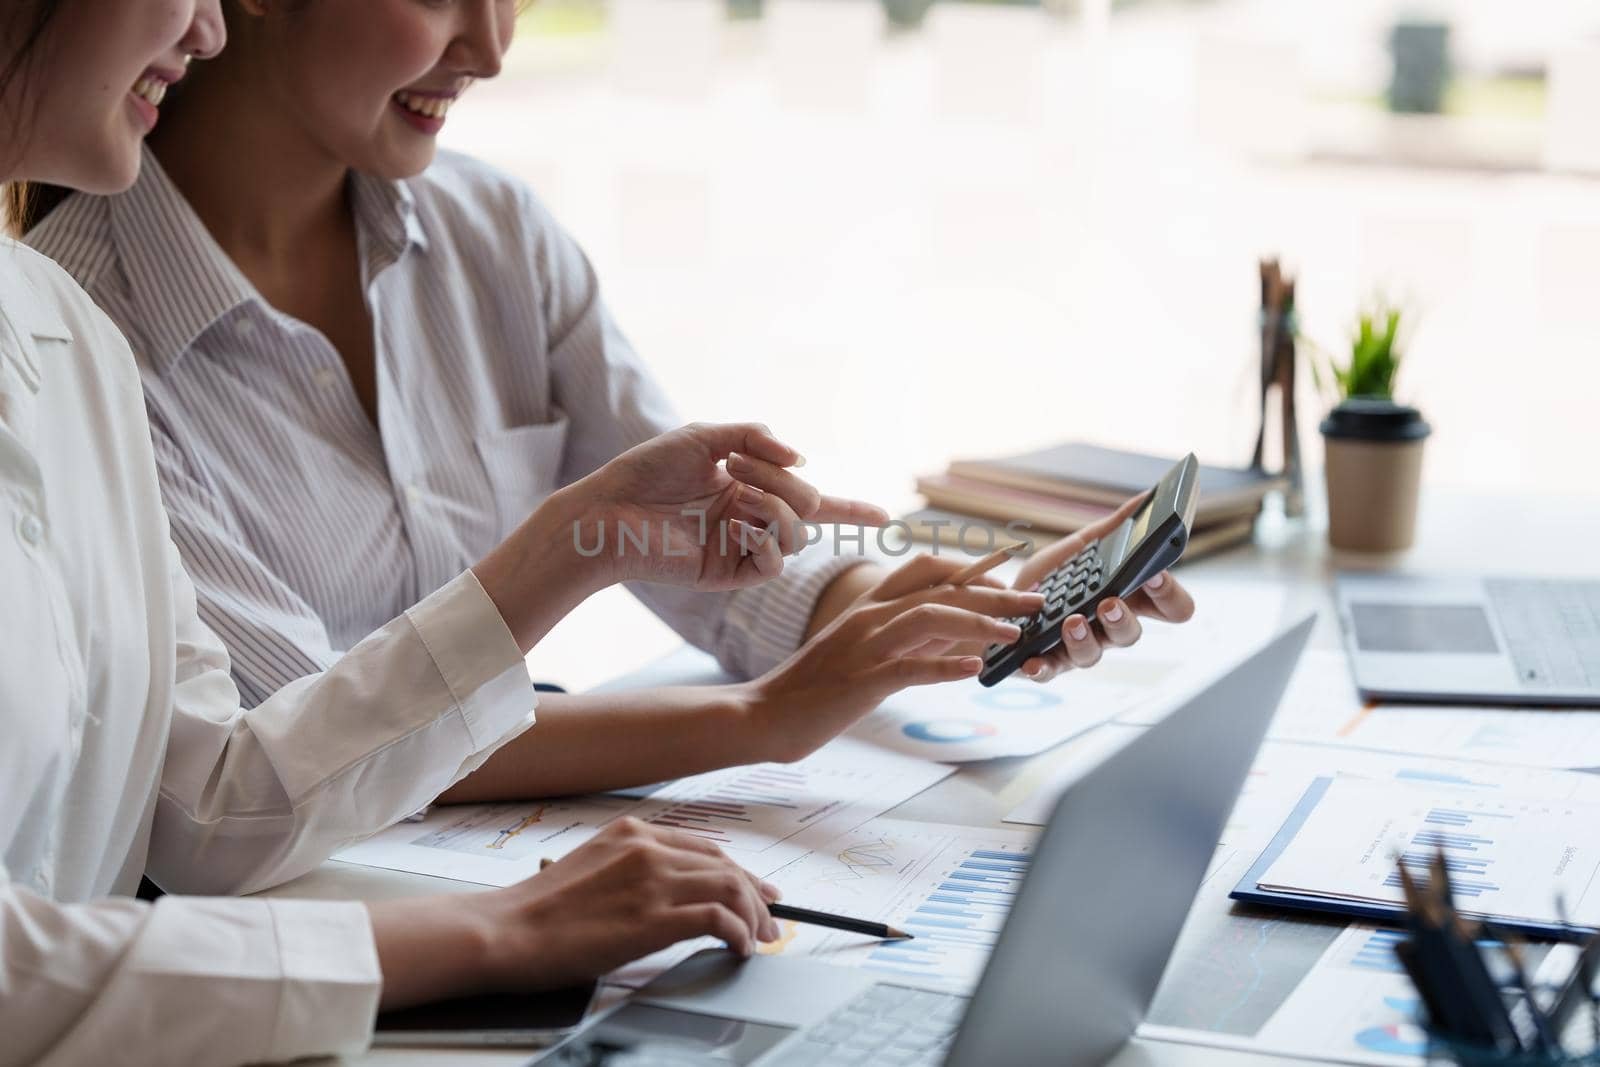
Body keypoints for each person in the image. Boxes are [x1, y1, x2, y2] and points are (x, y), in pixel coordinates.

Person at [0, 2, 1041, 1062]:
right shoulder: (101, 315)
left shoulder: (61, 330)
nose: (495, 52)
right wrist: (745, 724)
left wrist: (585, 544)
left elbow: (219, 796)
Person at [20, 0, 1197, 802]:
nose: (489, 47)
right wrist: (768, 716)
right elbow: (295, 749)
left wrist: (938, 607)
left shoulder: (493, 237)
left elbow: (721, 560)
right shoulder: (73, 330)